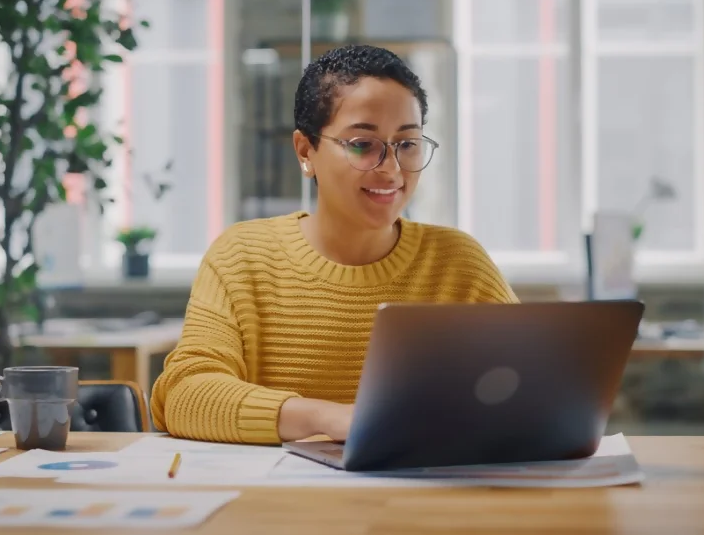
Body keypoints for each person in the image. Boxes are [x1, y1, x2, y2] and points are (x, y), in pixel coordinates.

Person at [150, 44, 517, 444]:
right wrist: (328, 418)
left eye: (407, 144)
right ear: (306, 151)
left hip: (424, 482)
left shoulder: (458, 263)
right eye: (362, 144)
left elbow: (535, 388)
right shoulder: (243, 257)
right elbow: (186, 394)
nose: (391, 169)